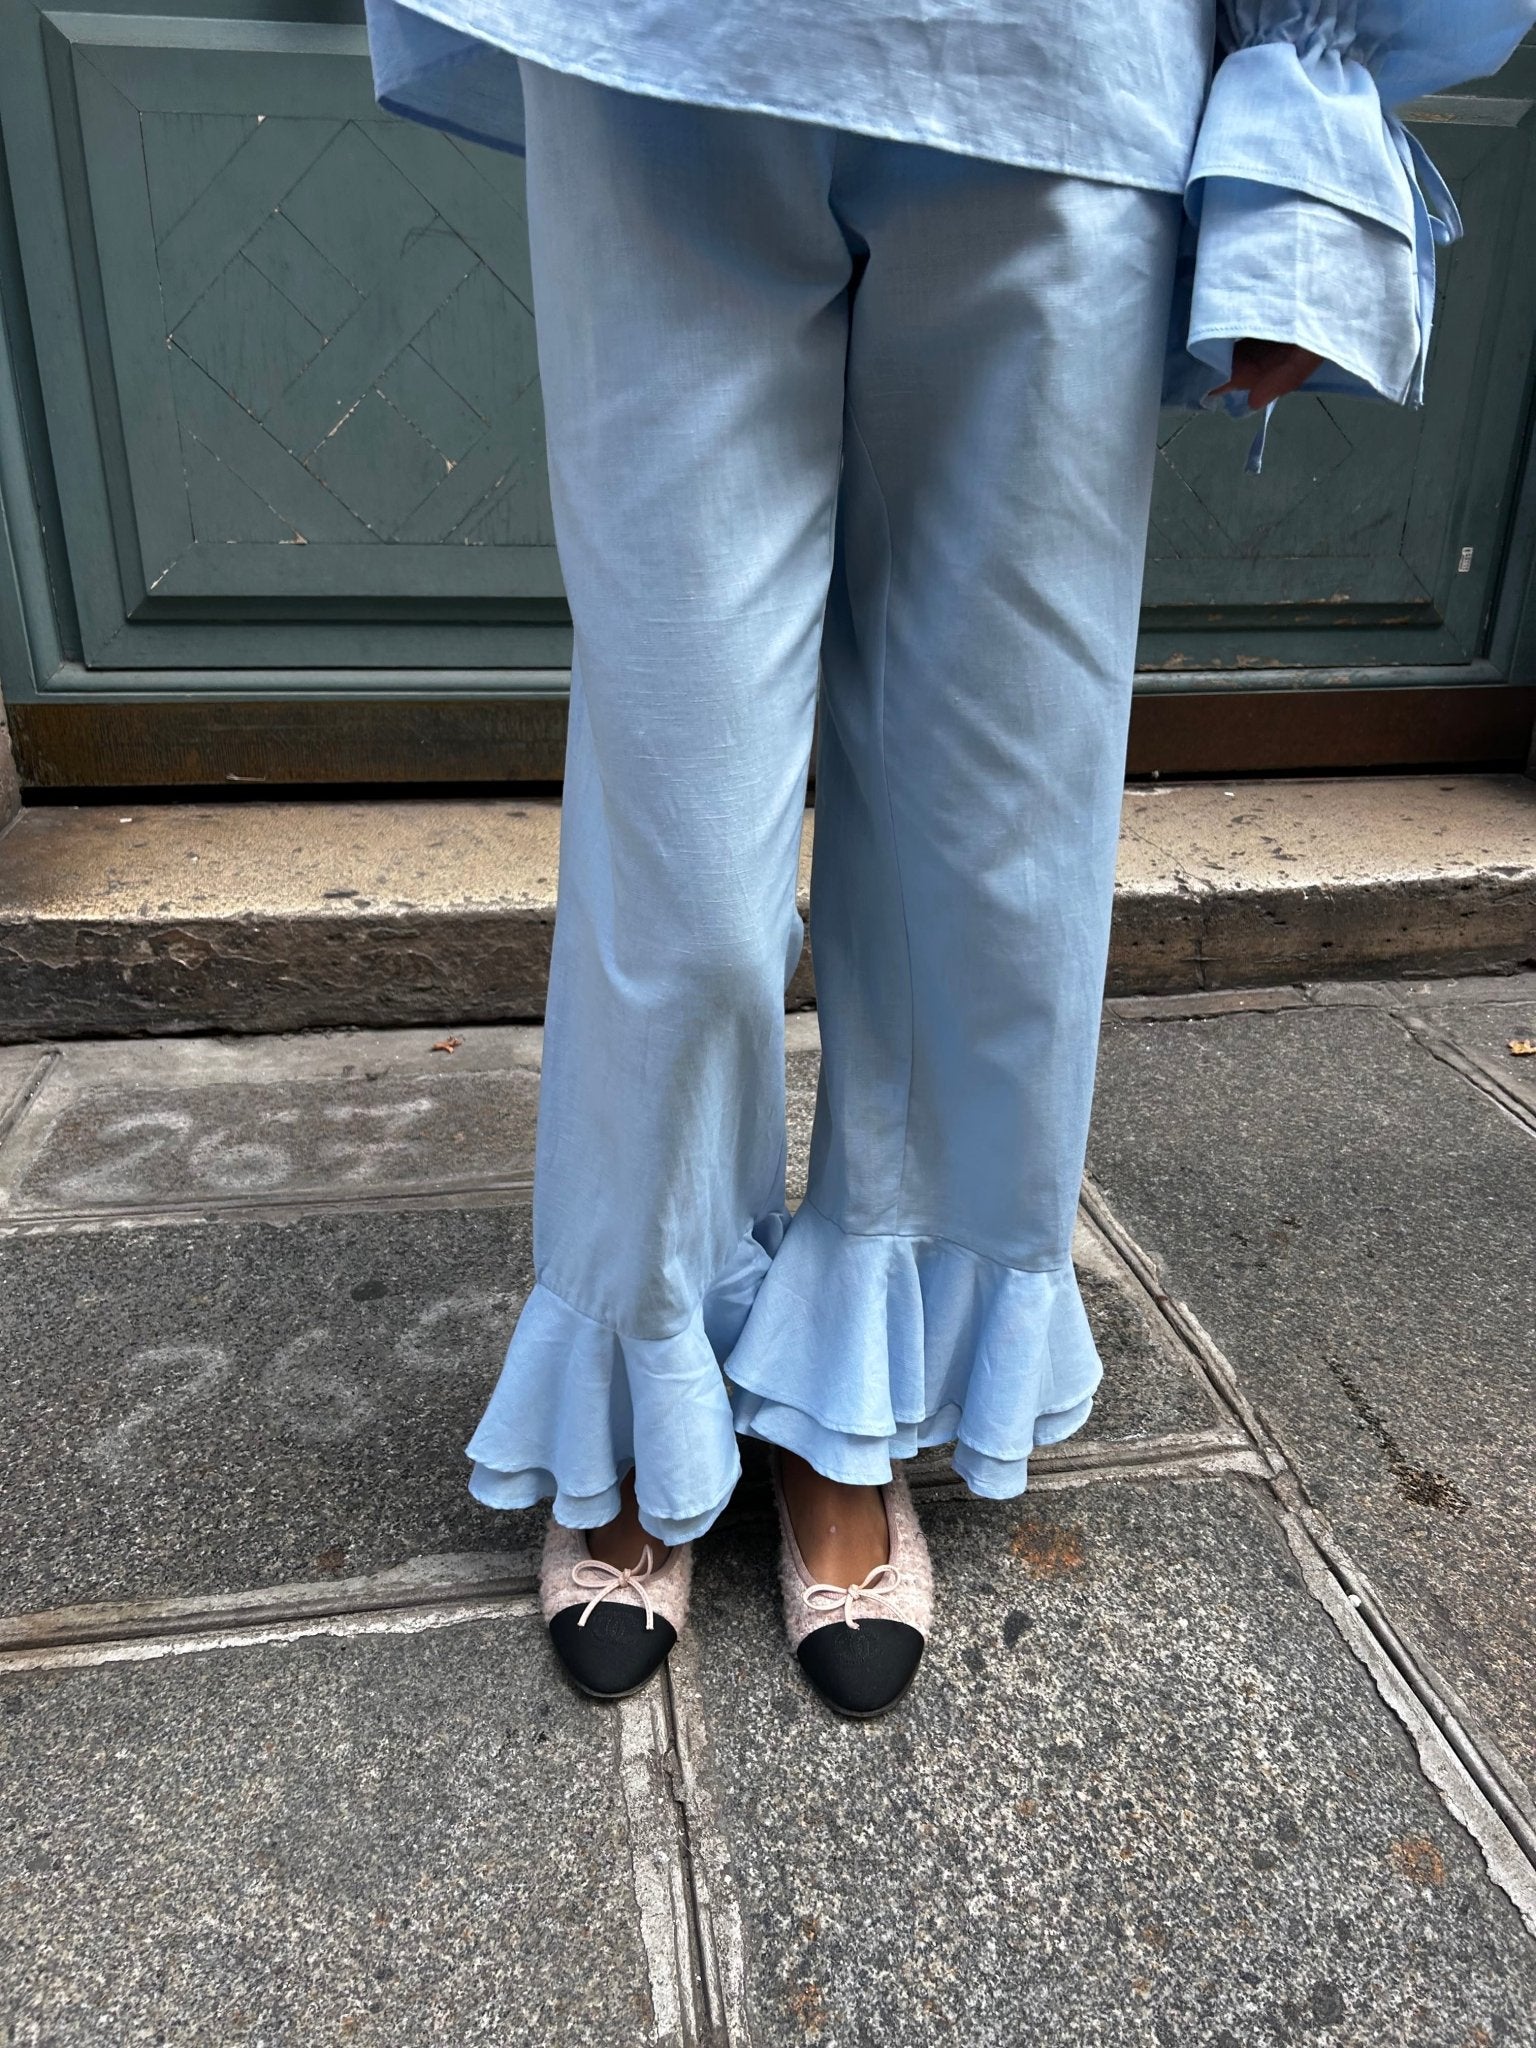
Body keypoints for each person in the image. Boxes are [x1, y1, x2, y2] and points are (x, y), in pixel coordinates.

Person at [364, 0, 1536, 1717]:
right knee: (679, 850)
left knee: (995, 844)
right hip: (657, 56)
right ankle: (640, 1366)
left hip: (1068, 63)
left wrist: (1301, 116)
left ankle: (848, 1407)